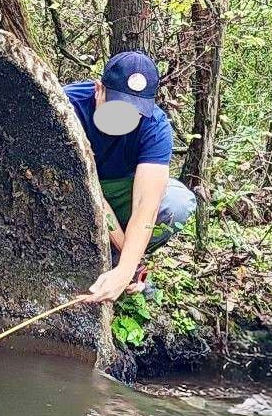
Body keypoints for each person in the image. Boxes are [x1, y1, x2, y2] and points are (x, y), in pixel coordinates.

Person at [63, 51, 196, 303]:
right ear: (99, 90)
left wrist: (126, 268)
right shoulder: (66, 108)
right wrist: (130, 265)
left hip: (121, 191)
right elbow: (86, 191)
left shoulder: (155, 127)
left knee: (178, 203)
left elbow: (146, 205)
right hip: (70, 189)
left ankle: (116, 264)